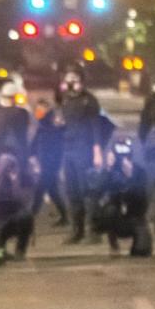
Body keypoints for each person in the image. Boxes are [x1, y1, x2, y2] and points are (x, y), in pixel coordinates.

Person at [58, 68, 103, 243]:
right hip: (68, 149)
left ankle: (93, 231)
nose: (70, 82)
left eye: (74, 79)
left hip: (84, 148)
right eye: (67, 79)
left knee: (88, 190)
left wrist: (97, 150)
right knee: (72, 191)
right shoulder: (66, 100)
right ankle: (77, 230)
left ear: (82, 81)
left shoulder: (89, 100)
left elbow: (96, 126)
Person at [92, 138, 152, 257]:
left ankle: (139, 244)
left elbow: (142, 200)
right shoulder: (110, 172)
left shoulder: (139, 172)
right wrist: (107, 170)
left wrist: (130, 177)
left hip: (135, 218)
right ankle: (113, 244)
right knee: (110, 210)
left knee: (142, 252)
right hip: (116, 218)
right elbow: (95, 191)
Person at [30, 99, 68, 225]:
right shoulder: (42, 125)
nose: (37, 112)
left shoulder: (52, 126)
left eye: (40, 109)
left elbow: (57, 146)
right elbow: (36, 143)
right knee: (52, 191)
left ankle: (30, 217)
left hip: (50, 163)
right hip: (46, 162)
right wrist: (32, 154)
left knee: (40, 190)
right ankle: (65, 216)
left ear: (46, 111)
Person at [138, 82, 155, 230]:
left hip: (153, 145)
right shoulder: (152, 100)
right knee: (154, 185)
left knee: (153, 185)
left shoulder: (152, 100)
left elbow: (143, 126)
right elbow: (143, 125)